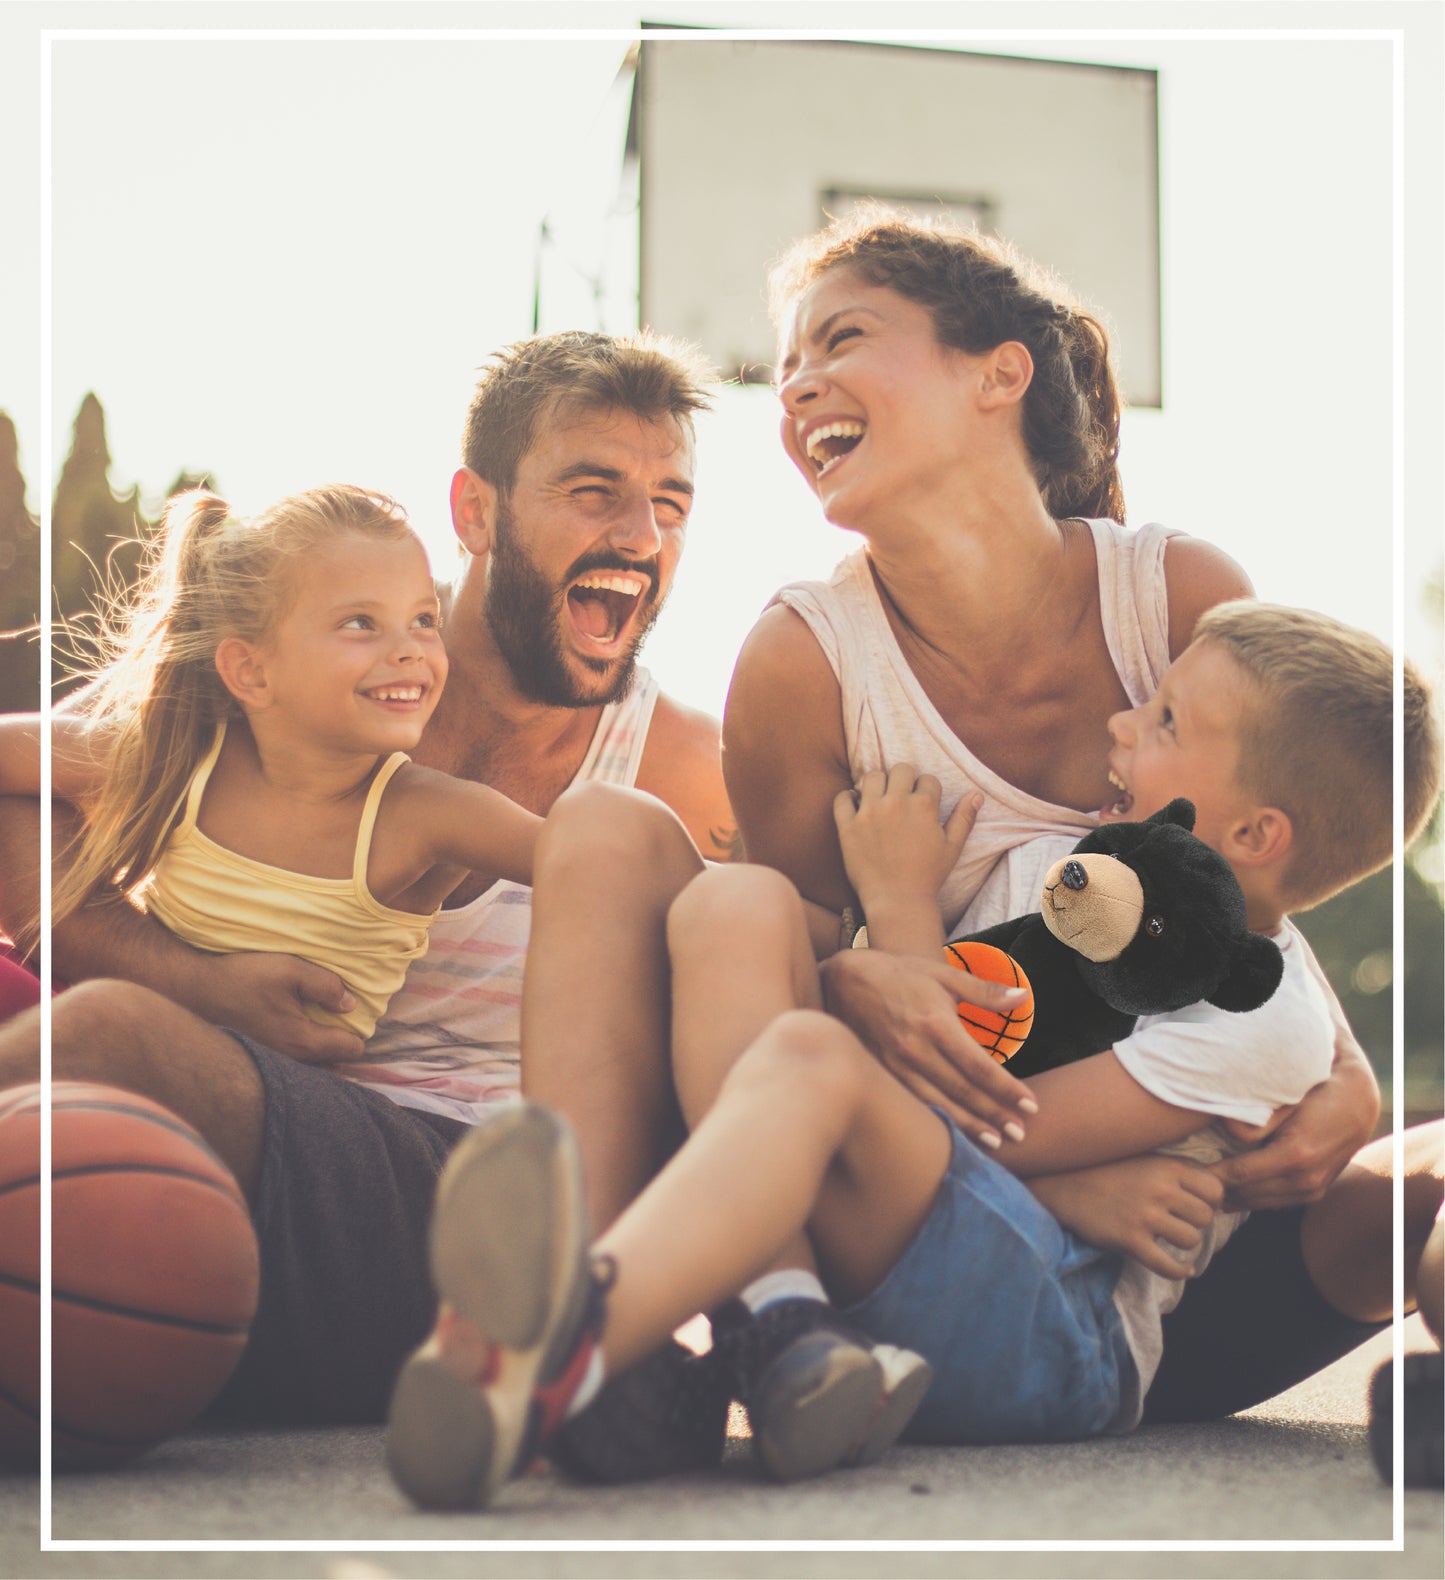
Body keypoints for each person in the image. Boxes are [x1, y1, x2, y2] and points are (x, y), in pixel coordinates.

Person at [383, 599, 1440, 1509]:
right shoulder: (1057, 872)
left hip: (1055, 1335)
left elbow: (975, 1106)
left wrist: (895, 908)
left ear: (1255, 836)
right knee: (735, 901)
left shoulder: (1264, 1014)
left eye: (1163, 718)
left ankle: (562, 1339)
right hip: (940, 1249)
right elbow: (925, 1064)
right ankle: (765, 1323)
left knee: (810, 1060)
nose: (1121, 723)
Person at [717, 206, 1439, 1419]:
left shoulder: (1174, 596)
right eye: (785, 365)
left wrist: (1347, 1081)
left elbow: (1257, 889)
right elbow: (788, 992)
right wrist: (1056, 1183)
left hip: (1199, 1244)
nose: (795, 387)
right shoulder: (805, 665)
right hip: (978, 1238)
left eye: (837, 340)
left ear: (1001, 373)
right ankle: (766, 1327)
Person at [0, 329, 738, 1441]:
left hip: (479, 1197)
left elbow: (766, 965)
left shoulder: (680, 764)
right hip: (267, 1140)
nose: (638, 535)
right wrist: (199, 980)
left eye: (669, 504)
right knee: (102, 1047)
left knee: (104, 1039)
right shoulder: (306, 686)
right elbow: (30, 782)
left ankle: (543, 1349)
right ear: (476, 511)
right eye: (594, 491)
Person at [0, 485, 544, 1051]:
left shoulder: (433, 813)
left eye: (425, 619)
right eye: (361, 622)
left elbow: (593, 861)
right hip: (108, 1028)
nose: (411, 649)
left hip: (246, 1092)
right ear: (252, 672)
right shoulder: (184, 763)